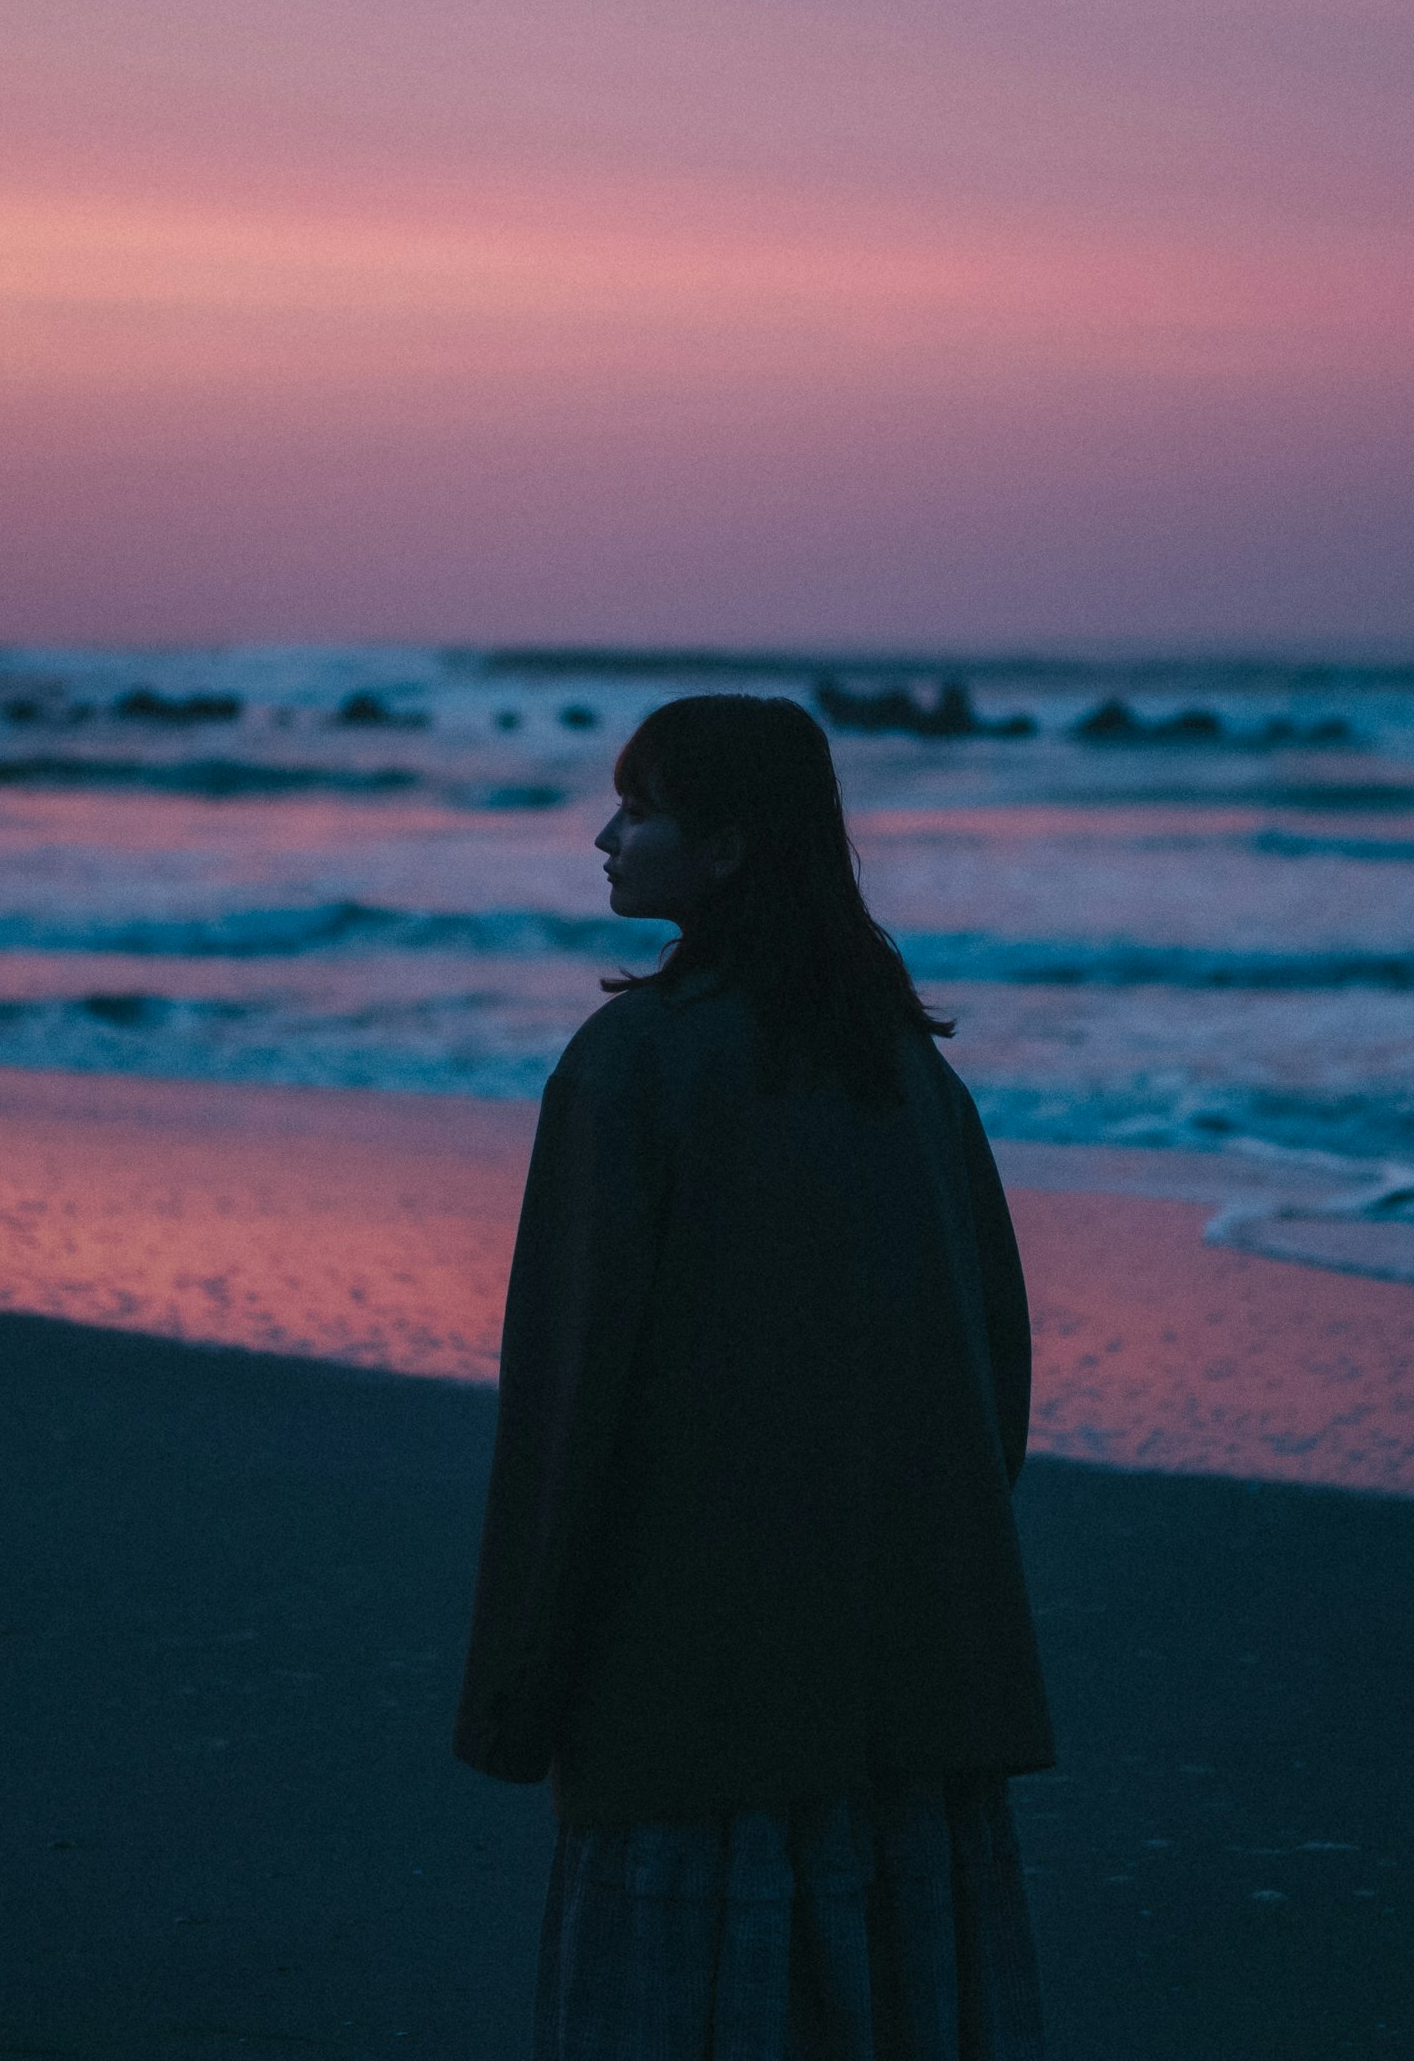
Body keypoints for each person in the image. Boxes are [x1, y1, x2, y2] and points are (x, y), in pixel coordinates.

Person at [455, 694, 1054, 2057]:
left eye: (642, 808)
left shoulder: (636, 1065)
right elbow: (991, 1365)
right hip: (906, 1652)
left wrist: (520, 1685)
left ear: (725, 851)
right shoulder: (904, 1064)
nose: (606, 836)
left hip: (695, 1652)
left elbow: (568, 1396)